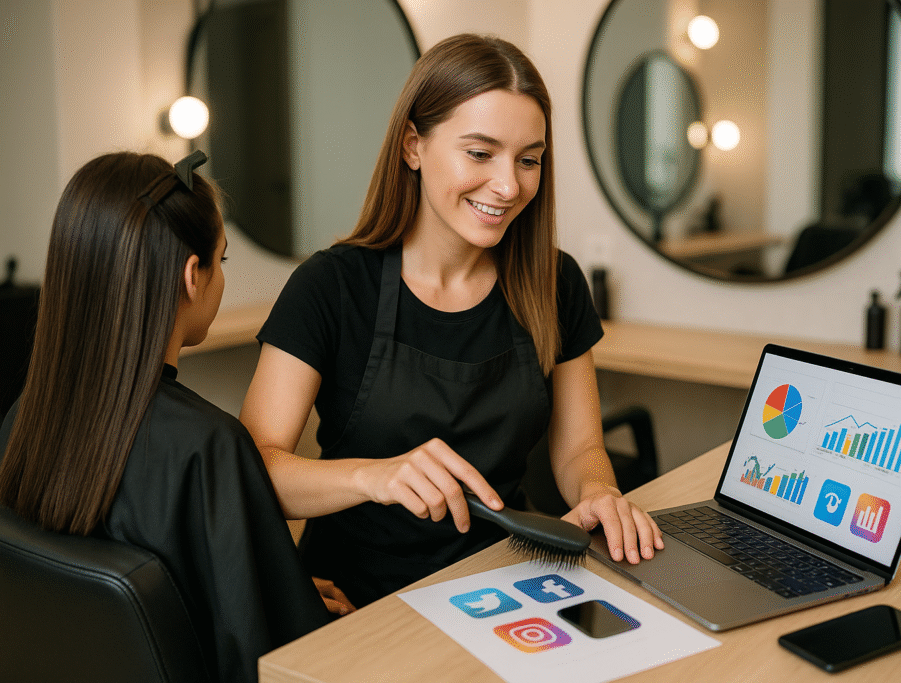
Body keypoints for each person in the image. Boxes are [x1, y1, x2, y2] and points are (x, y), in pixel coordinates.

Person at [240, 33, 664, 609]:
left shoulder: (554, 282)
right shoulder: (332, 287)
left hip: (504, 582)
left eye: (529, 160)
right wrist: (373, 477)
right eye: (480, 153)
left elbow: (579, 447)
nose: (509, 185)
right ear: (414, 146)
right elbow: (256, 467)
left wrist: (599, 490)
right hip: (359, 599)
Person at [0, 151, 340, 683]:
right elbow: (275, 659)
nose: (220, 278)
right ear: (191, 275)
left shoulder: (24, 420)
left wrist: (279, 584)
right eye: (221, 261)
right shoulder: (208, 447)